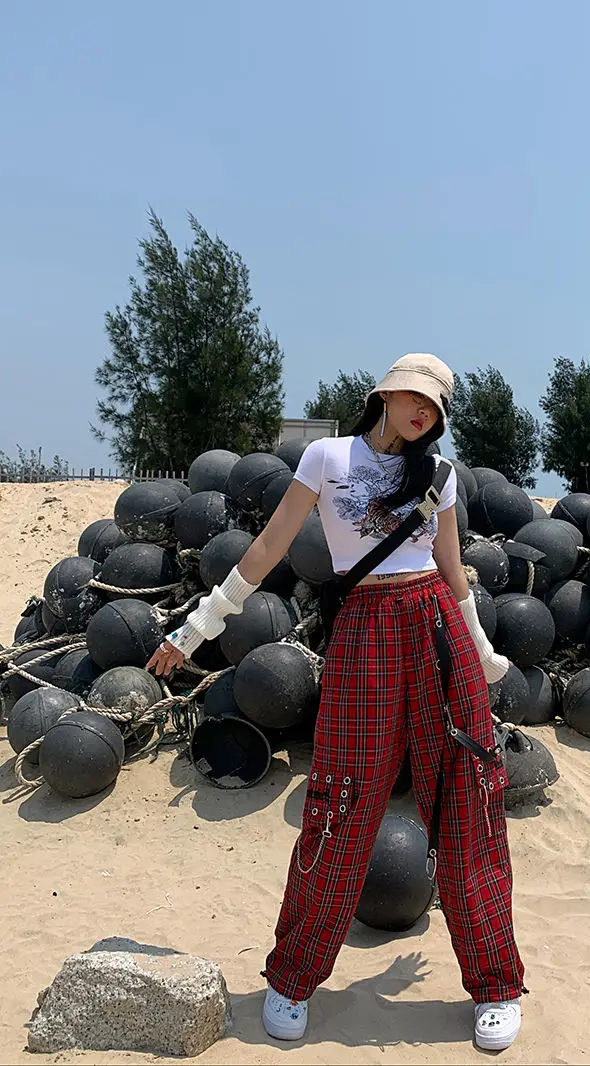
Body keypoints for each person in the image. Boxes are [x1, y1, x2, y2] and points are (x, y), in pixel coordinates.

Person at [147, 353, 527, 1050]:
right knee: (340, 802)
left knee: (468, 799)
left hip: (437, 630)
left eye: (436, 406)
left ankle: (496, 984)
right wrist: (198, 625)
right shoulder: (327, 457)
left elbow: (452, 570)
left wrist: (479, 648)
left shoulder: (438, 475)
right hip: (365, 631)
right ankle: (293, 978)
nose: (423, 411)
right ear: (385, 394)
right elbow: (269, 546)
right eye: (414, 396)